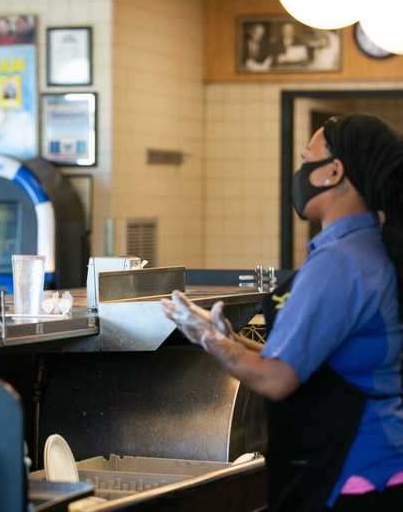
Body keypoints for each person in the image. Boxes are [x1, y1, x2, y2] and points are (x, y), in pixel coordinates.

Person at [162, 114, 403, 511]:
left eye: (307, 158)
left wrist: (213, 343)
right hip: (373, 465)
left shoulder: (340, 262)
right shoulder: (362, 248)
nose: (300, 172)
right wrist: (228, 340)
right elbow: (303, 361)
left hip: (353, 473)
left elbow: (277, 378)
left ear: (333, 172)